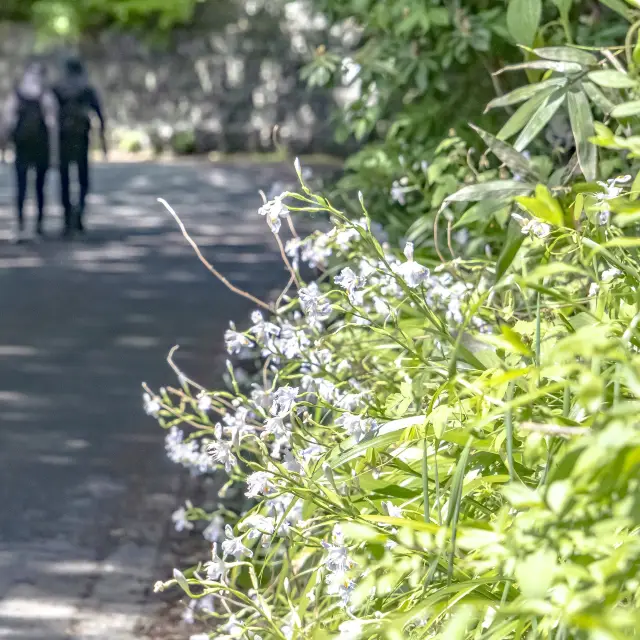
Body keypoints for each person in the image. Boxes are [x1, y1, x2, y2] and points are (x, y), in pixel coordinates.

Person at [0, 61, 58, 243]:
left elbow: (8, 123)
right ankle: (38, 226)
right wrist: (54, 152)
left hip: (22, 148)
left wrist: (3, 147)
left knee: (21, 187)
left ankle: (20, 226)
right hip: (41, 147)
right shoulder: (46, 96)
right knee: (40, 187)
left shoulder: (17, 95)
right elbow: (52, 125)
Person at [53, 56, 107, 236]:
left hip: (63, 138)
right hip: (81, 137)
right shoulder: (87, 89)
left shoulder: (57, 89)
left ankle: (67, 218)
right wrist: (103, 140)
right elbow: (99, 114)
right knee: (82, 178)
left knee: (65, 179)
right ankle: (80, 213)